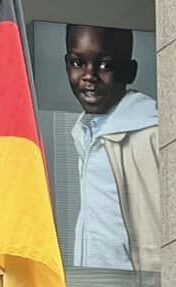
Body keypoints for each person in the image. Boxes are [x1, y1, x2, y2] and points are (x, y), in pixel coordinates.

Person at [65, 24, 158, 272]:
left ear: (130, 71)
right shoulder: (86, 133)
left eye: (105, 65)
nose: (89, 75)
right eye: (77, 63)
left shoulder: (152, 134)